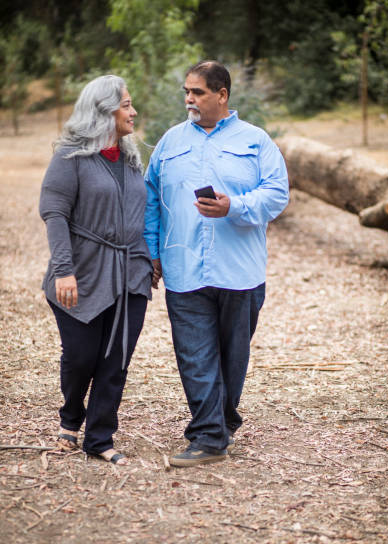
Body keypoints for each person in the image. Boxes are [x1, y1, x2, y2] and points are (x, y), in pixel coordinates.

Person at [144, 60, 289, 467]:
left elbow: (277, 194)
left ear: (222, 95)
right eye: (186, 92)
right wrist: (151, 250)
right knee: (194, 355)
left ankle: (220, 419)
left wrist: (234, 207)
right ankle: (209, 437)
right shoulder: (170, 142)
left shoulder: (257, 141)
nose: (189, 99)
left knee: (232, 357)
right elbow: (151, 198)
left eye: (198, 92)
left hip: (239, 270)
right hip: (183, 267)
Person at [40, 75, 154, 465]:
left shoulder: (130, 158)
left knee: (115, 361)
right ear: (104, 110)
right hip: (82, 272)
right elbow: (54, 213)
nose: (133, 111)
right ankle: (70, 419)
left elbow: (141, 213)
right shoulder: (70, 156)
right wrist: (63, 270)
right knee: (81, 357)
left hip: (130, 273)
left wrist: (147, 259)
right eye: (126, 104)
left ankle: (100, 438)